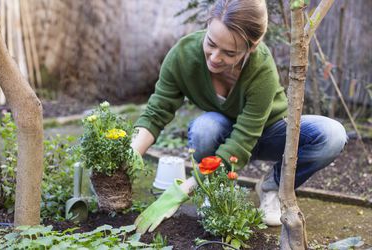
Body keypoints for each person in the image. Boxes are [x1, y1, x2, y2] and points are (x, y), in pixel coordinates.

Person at [131, 0, 347, 233]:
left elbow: (244, 138)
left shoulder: (260, 67)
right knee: (205, 128)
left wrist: (189, 186)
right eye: (211, 43)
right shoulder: (183, 56)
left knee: (332, 135)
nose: (214, 57)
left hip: (269, 133)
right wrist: (130, 155)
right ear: (207, 25)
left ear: (251, 47)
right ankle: (218, 188)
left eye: (229, 53)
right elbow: (156, 112)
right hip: (222, 135)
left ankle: (271, 187)